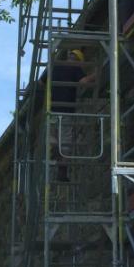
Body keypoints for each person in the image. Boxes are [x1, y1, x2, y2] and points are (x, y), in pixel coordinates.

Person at [46, 49, 96, 181]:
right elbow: (83, 82)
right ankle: (62, 169)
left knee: (52, 135)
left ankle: (55, 148)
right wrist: (96, 74)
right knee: (66, 141)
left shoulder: (55, 68)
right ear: (79, 61)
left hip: (52, 108)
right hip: (66, 109)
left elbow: (41, 82)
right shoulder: (75, 68)